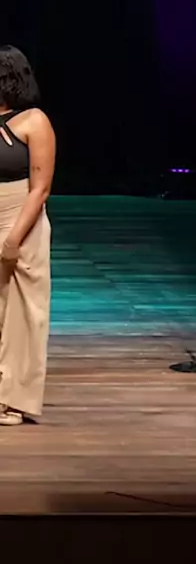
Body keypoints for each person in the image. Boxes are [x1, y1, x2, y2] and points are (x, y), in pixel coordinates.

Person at [0, 45, 55, 425]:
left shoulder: (34, 121)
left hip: (20, 217)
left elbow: (41, 187)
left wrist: (13, 239)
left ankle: (13, 399)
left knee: (22, 313)